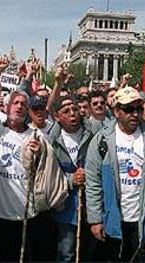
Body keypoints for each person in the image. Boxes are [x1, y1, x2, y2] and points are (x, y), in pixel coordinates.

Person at [86, 86, 145, 262]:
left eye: (138, 109)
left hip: (144, 221)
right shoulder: (101, 140)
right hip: (113, 221)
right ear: (116, 111)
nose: (134, 114)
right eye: (128, 109)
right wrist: (95, 219)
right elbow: (93, 183)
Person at [0, 56, 43, 262]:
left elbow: (42, 173)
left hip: (25, 213)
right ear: (6, 106)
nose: (19, 107)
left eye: (23, 104)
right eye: (15, 103)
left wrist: (38, 155)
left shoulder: (36, 136)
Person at [49, 94, 96, 262]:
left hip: (91, 205)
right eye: (66, 111)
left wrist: (87, 176)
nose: (72, 114)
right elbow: (49, 175)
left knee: (91, 252)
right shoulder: (51, 141)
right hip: (65, 207)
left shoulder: (93, 135)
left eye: (75, 109)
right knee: (66, 253)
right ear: (57, 117)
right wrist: (71, 179)